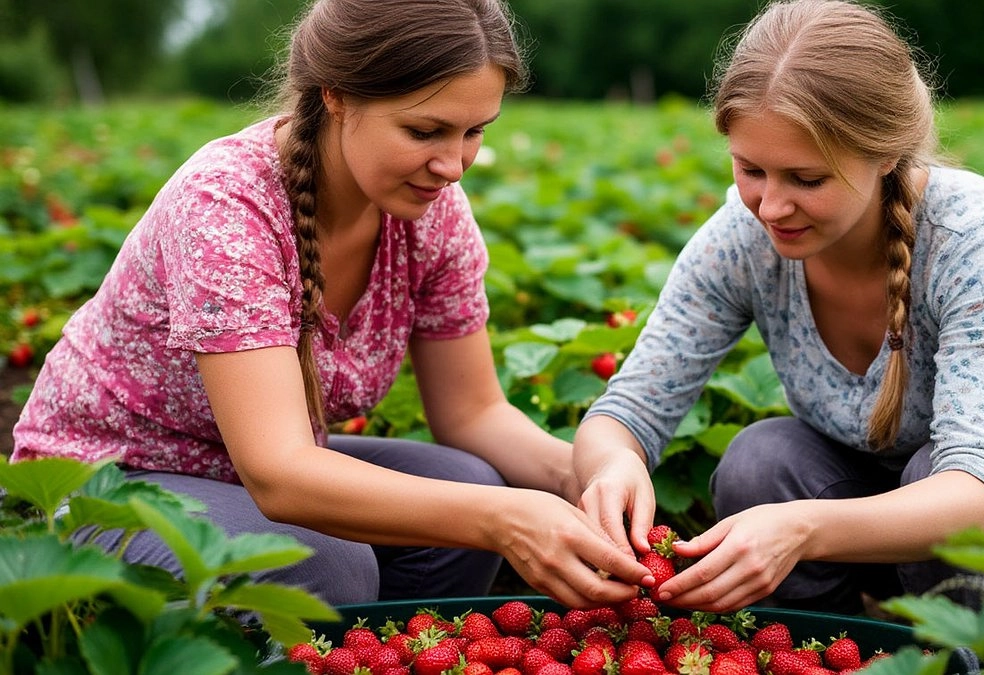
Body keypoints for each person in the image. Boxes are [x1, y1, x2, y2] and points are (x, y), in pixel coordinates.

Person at [12, 0, 652, 609]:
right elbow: (280, 474)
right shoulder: (227, 205)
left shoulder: (430, 212)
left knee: (474, 483)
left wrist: (587, 477)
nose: (454, 165)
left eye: (475, 131)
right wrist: (504, 521)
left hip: (246, 475)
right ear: (336, 95)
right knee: (325, 564)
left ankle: (388, 657)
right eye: (424, 130)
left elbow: (474, 412)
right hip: (108, 478)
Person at [572, 0, 984, 615]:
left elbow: (972, 497)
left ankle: (967, 654)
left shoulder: (975, 239)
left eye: (806, 179)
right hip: (894, 526)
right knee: (761, 463)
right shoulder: (742, 239)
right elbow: (627, 410)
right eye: (750, 169)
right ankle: (833, 647)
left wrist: (801, 529)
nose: (770, 207)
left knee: (933, 478)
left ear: (886, 154)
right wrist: (611, 468)